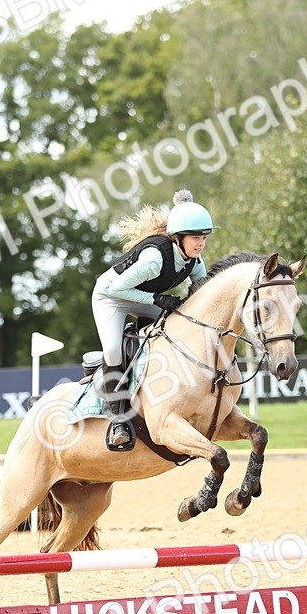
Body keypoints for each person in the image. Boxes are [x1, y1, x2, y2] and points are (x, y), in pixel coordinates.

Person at [92, 189, 217, 451]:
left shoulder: (194, 261)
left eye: (203, 238)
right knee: (113, 349)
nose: (200, 244)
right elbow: (116, 289)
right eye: (195, 238)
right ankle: (117, 420)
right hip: (110, 297)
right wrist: (158, 300)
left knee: (179, 322)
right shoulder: (154, 258)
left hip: (139, 295)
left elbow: (203, 292)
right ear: (178, 238)